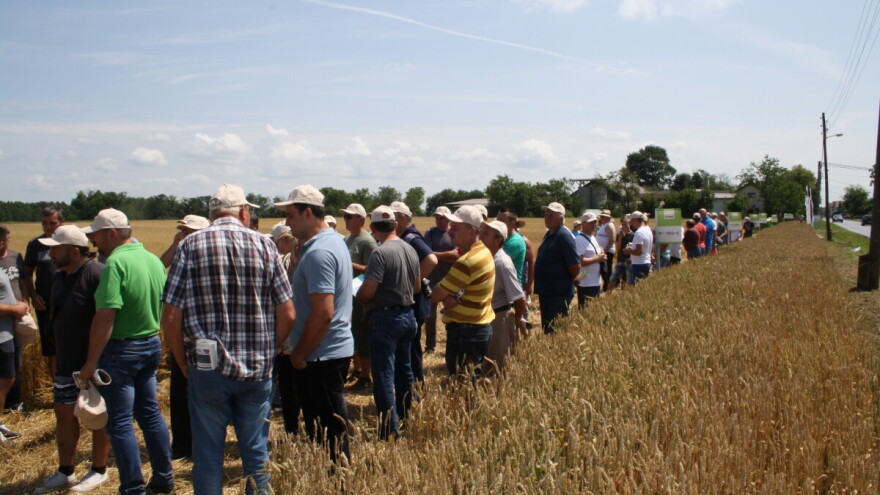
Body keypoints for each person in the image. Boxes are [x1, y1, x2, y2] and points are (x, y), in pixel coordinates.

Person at [162, 184, 295, 494]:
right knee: (255, 453)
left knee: (208, 455)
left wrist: (182, 360)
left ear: (212, 215)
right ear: (244, 212)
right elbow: (288, 313)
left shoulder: (189, 245)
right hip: (257, 368)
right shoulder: (265, 246)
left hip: (207, 368)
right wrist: (270, 349)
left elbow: (170, 316)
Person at [78, 208, 174, 495]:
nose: (93, 242)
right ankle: (165, 477)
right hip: (151, 344)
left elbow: (106, 316)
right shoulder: (152, 261)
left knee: (119, 422)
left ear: (111, 233)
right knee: (150, 414)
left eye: (96, 235)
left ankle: (133, 487)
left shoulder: (115, 264)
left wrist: (91, 362)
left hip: (121, 350)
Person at [276, 185, 354, 463]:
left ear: (308, 213)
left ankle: (338, 481)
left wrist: (299, 355)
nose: (287, 222)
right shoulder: (332, 243)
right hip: (326, 350)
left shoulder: (320, 252)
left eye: (290, 215)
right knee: (328, 427)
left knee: (327, 431)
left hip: (319, 355)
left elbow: (323, 313)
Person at [34, 226, 111, 494]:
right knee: (64, 414)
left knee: (97, 417)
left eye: (56, 248)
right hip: (66, 363)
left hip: (93, 363)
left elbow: (108, 318)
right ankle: (65, 470)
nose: (50, 253)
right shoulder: (58, 276)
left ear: (74, 251)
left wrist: (93, 361)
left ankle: (99, 469)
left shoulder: (96, 274)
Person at [355, 206, 420, 439]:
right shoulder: (410, 249)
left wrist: (359, 296)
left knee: (383, 375)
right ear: (394, 224)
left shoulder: (380, 253)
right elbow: (418, 287)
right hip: (408, 315)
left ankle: (388, 430)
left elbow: (368, 290)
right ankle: (407, 418)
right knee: (405, 372)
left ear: (372, 228)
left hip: (384, 318)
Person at [159, 214, 210, 460]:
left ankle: (195, 446)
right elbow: (160, 265)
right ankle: (183, 446)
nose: (183, 234)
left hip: (198, 337)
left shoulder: (204, 257)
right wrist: (175, 245)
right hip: (183, 335)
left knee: (200, 396)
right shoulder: (182, 254)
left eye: (188, 231)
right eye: (181, 230)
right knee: (180, 395)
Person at [430, 206, 495, 377]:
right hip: (477, 326)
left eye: (455, 228)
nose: (450, 231)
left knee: (462, 383)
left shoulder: (466, 261)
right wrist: (448, 296)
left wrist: (445, 296)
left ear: (471, 231)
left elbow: (436, 295)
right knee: (470, 381)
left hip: (466, 331)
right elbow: (457, 290)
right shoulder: (483, 251)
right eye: (451, 226)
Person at [390, 201, 437, 382]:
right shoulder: (406, 237)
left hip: (415, 303)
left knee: (411, 348)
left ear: (402, 218)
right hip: (414, 301)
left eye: (393, 218)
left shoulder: (411, 238)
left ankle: (416, 386)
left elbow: (431, 260)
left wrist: (410, 284)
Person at [478, 220, 527, 373]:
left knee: (498, 365)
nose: (481, 236)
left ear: (498, 240)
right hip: (488, 317)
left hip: (499, 318)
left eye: (486, 234)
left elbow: (519, 298)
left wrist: (518, 318)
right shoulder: (488, 258)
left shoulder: (503, 263)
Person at [23, 205, 64, 376]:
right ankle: (58, 388)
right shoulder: (35, 245)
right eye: (44, 223)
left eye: (52, 223)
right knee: (51, 347)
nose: (48, 227)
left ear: (62, 223)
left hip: (68, 300)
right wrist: (33, 295)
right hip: (45, 302)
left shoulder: (71, 242)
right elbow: (26, 274)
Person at [341, 203, 378, 389]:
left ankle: (366, 376)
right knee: (352, 332)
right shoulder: (347, 238)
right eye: (345, 216)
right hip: (348, 294)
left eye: (349, 216)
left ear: (361, 220)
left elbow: (373, 271)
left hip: (360, 295)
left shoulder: (367, 241)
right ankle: (357, 370)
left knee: (362, 334)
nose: (345, 219)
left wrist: (350, 265)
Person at [534, 202, 579, 334]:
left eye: (551, 215)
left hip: (558, 293)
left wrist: (566, 283)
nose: (547, 218)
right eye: (546, 215)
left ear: (561, 218)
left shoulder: (564, 236)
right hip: (547, 292)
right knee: (548, 328)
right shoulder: (550, 234)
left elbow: (575, 266)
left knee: (556, 330)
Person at [0, 270, 28, 442]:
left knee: (7, 378)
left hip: (5, 334)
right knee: (5, 379)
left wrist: (16, 302)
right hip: (1, 336)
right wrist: (14, 308)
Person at [424, 206, 457, 354]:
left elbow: (457, 255)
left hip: (450, 281)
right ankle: (430, 346)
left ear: (449, 218)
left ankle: (452, 345)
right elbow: (427, 254)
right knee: (429, 316)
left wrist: (437, 256)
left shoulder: (453, 233)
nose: (439, 220)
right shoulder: (430, 233)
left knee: (452, 314)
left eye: (442, 217)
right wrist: (448, 254)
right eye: (437, 217)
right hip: (431, 280)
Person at [0, 226, 26, 412]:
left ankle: (11, 408)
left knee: (10, 372)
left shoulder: (15, 257)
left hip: (9, 328)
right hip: (2, 332)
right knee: (6, 377)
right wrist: (14, 308)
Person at [574, 212, 606, 307]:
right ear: (583, 224)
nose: (594, 225)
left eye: (595, 222)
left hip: (594, 280)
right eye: (590, 222)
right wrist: (598, 258)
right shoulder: (579, 240)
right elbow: (580, 261)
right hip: (586, 283)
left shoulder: (592, 237)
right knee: (586, 309)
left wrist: (601, 257)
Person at [623, 211, 653, 284]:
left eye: (632, 221)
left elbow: (639, 252)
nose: (631, 223)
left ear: (635, 220)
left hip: (639, 264)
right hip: (646, 262)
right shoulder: (648, 230)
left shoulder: (639, 232)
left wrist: (628, 251)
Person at [607, 215, 633, 292]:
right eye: (622, 224)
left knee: (625, 280)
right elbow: (618, 249)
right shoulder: (620, 235)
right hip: (620, 260)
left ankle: (623, 295)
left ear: (629, 223)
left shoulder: (633, 235)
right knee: (612, 278)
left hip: (628, 261)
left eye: (626, 224)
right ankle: (608, 294)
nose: (624, 226)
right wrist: (621, 237)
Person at [596, 210, 616, 291]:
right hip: (603, 250)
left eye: (603, 216)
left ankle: (608, 285)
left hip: (607, 251)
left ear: (608, 217)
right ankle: (606, 285)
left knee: (606, 269)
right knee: (604, 269)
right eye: (601, 216)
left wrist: (605, 251)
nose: (601, 218)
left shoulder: (609, 225)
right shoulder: (604, 225)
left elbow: (612, 239)